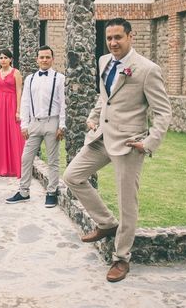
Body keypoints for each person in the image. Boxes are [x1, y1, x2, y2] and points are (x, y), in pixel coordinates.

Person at [63, 18, 171, 283]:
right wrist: (94, 115)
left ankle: (122, 259)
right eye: (109, 38)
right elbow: (105, 96)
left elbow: (163, 112)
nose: (113, 43)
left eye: (118, 37)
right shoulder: (103, 61)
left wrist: (148, 143)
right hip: (101, 137)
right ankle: (106, 224)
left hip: (129, 144)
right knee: (72, 176)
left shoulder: (147, 69)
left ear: (130, 37)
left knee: (127, 205)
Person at [6, 46, 66, 208]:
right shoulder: (31, 78)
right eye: (42, 57)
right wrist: (24, 125)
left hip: (52, 122)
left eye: (47, 57)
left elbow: (63, 103)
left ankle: (51, 192)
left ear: (52, 59)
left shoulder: (59, 78)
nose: (44, 60)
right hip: (34, 123)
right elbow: (25, 102)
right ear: (37, 60)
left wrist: (62, 124)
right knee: (26, 158)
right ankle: (24, 191)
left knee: (53, 160)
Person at [0, 49, 25, 177]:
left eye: (5, 58)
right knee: (1, 134)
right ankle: (1, 166)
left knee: (14, 133)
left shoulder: (16, 73)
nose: (3, 60)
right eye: (1, 58)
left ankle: (15, 166)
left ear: (10, 59)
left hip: (12, 104)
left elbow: (19, 91)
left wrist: (18, 110)